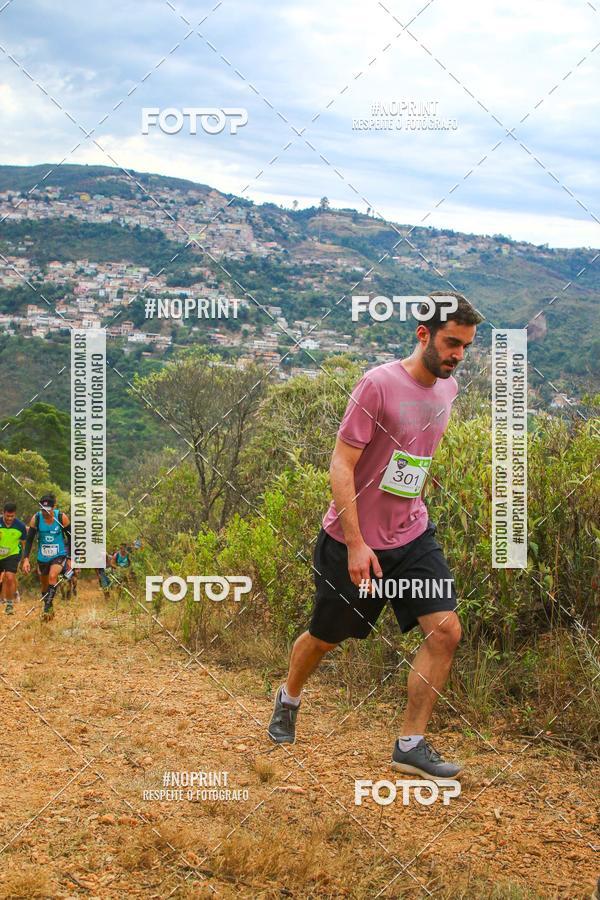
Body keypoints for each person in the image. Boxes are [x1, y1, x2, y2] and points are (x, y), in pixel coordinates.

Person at [268, 292, 484, 780]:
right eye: (452, 343)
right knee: (326, 637)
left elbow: (416, 459)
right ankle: (289, 696)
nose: (457, 355)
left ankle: (409, 744)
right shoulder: (377, 384)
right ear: (423, 334)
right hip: (353, 542)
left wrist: (409, 507)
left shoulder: (448, 390)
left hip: (412, 537)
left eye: (466, 347)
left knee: (446, 631)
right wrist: (358, 542)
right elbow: (341, 464)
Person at [22, 493, 72, 621]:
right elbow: (29, 540)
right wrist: (26, 559)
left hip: (59, 554)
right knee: (44, 587)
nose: (45, 513)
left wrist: (71, 558)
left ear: (54, 507)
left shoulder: (61, 518)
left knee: (52, 576)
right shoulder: (36, 518)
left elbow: (71, 537)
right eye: (42, 510)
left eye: (48, 510)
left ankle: (46, 609)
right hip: (43, 557)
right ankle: (49, 606)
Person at [0, 501, 28, 615]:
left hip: (12, 554)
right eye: (7, 516)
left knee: (10, 577)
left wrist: (25, 559)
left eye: (12, 516)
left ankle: (10, 604)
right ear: (3, 513)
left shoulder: (20, 526)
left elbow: (24, 543)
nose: (10, 518)